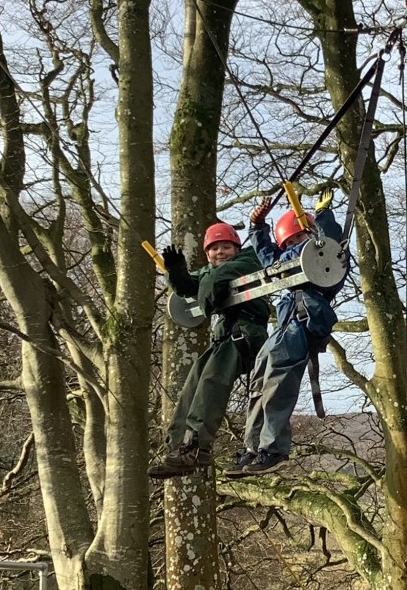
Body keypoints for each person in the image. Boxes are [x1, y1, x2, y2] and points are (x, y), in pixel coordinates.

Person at [228, 189, 348, 476]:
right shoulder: (283, 262)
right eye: (290, 242)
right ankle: (253, 446)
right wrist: (257, 226)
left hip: (303, 322)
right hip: (285, 326)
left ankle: (274, 448)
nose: (295, 246)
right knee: (259, 379)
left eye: (299, 239)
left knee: (278, 382)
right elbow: (267, 255)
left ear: (310, 235)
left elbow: (331, 243)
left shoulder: (322, 255)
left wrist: (323, 215)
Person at [148, 222, 270, 479]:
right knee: (194, 383)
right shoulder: (209, 272)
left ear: (237, 249)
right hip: (224, 339)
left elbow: (215, 280)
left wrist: (206, 299)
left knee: (212, 382)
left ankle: (195, 446)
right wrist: (176, 271)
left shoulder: (247, 261)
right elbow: (188, 286)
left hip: (245, 334)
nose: (220, 252)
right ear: (207, 254)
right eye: (214, 249)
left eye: (226, 247)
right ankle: (179, 446)